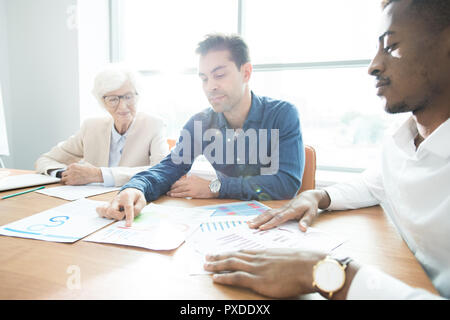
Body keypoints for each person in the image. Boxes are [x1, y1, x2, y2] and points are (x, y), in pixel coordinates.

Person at [203, 0, 450, 299]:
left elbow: (283, 182)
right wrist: (318, 195)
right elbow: (372, 184)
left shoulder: (281, 113)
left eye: (392, 46)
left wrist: (329, 274)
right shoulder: (402, 142)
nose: (374, 65)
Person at [96, 34, 305, 226]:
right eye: (204, 78)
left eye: (219, 75)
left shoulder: (282, 114)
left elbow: (286, 183)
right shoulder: (201, 123)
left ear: (246, 72)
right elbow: (168, 168)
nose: (210, 86)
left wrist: (216, 187)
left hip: (277, 223)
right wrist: (135, 188)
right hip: (227, 223)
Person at [35, 65, 169, 187]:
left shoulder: (154, 125)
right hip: (90, 200)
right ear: (102, 102)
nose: (122, 106)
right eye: (113, 99)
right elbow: (46, 160)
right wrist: (66, 173)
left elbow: (161, 170)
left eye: (128, 97)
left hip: (134, 199)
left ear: (137, 96)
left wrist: (98, 175)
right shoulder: (91, 127)